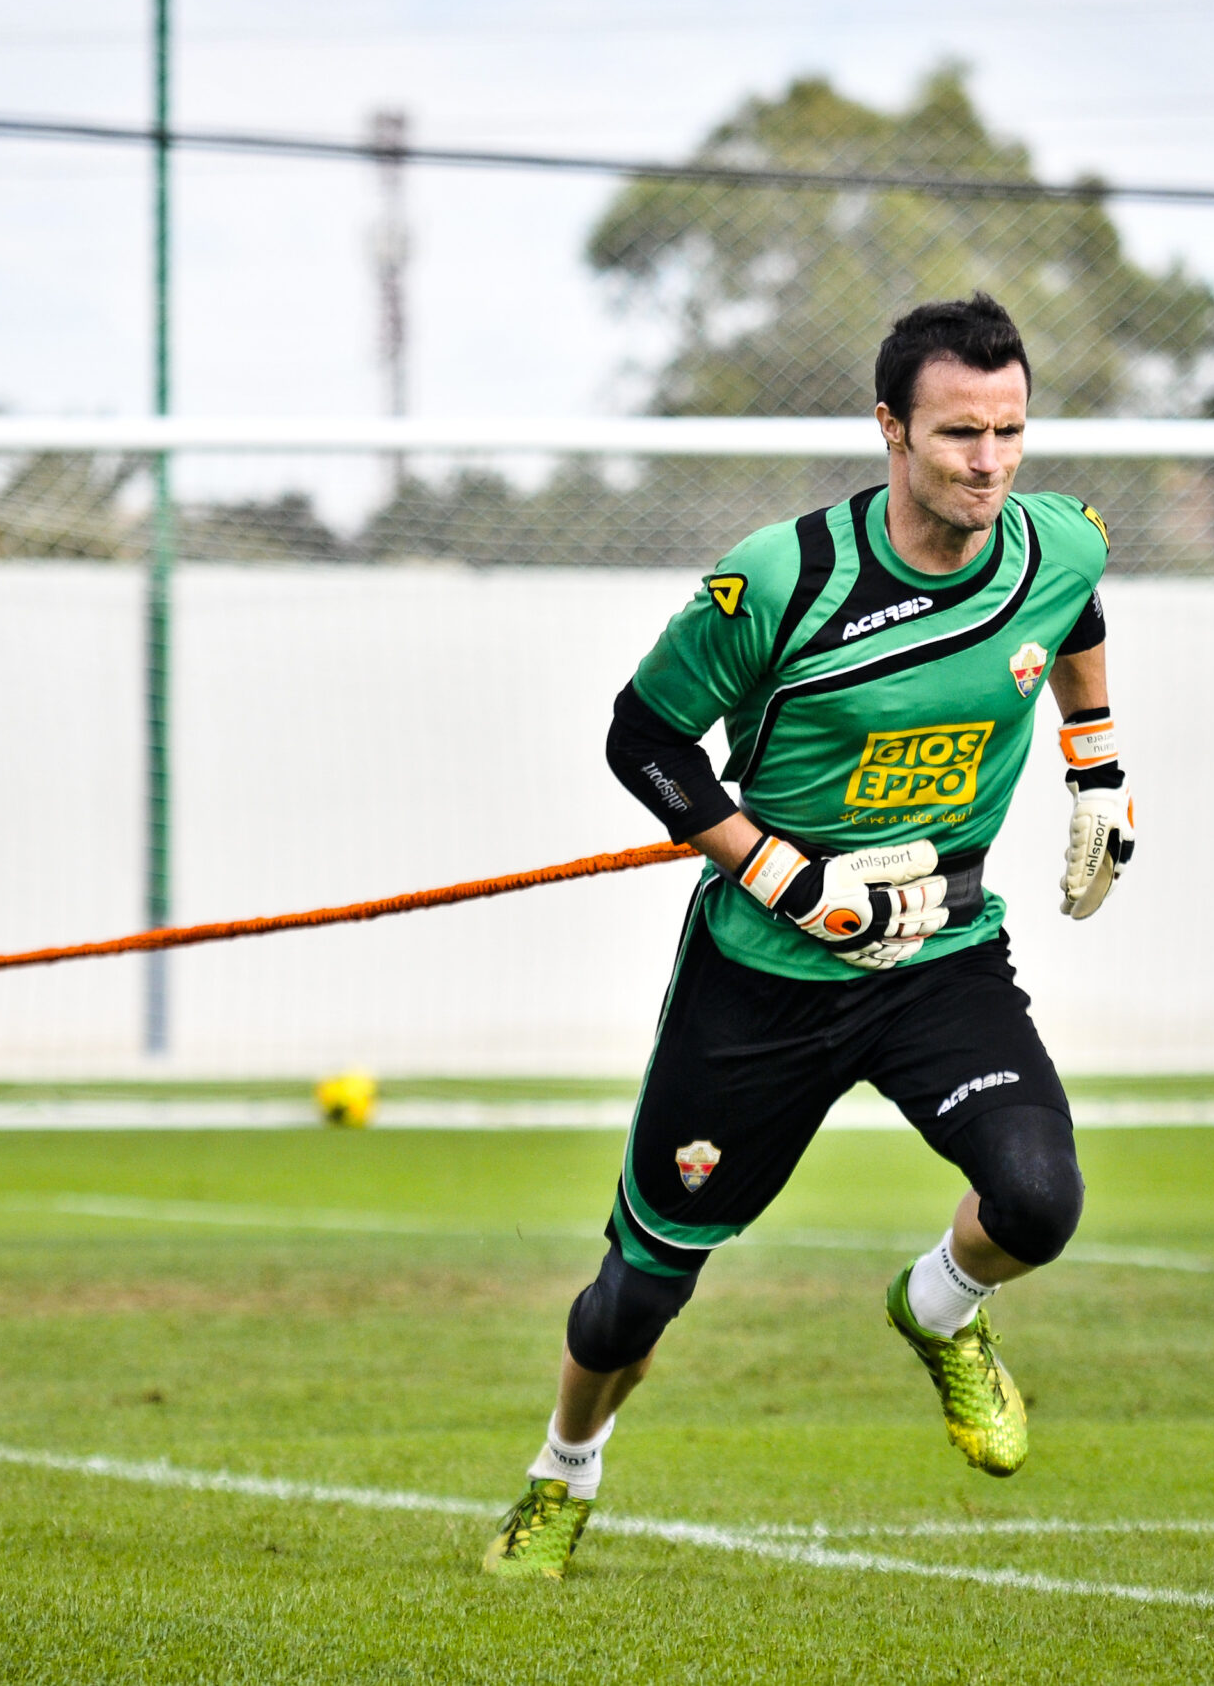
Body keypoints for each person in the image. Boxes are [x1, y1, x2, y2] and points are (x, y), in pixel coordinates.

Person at [483, 292, 1135, 1579]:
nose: (989, 462)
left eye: (1009, 430)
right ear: (890, 427)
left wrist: (1098, 766)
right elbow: (643, 736)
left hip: (935, 959)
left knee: (1038, 1198)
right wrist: (775, 872)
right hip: (763, 977)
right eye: (958, 433)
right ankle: (563, 1471)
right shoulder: (778, 581)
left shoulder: (1055, 543)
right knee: (636, 1294)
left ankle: (939, 1309)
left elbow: (1080, 611)